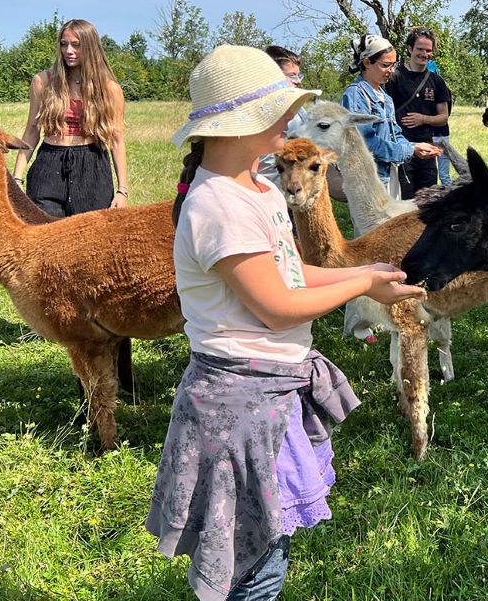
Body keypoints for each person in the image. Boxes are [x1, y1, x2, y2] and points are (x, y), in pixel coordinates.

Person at [147, 45, 425, 601]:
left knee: (268, 547)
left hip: (270, 394)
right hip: (237, 403)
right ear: (241, 124)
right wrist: (362, 285)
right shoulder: (218, 206)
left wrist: (362, 268)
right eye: (280, 108)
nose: (290, 120)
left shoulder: (260, 189)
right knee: (254, 560)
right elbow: (276, 305)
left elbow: (290, 270)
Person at [12, 18, 130, 217]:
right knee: (46, 236)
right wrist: (16, 179)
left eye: (76, 45)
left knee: (89, 240)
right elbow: (32, 130)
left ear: (91, 48)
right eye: (64, 44)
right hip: (49, 165)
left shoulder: (109, 89)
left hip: (91, 167)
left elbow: (117, 141)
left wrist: (122, 191)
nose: (69, 51)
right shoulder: (43, 81)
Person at [341, 34, 441, 194]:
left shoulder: (385, 97)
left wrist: (415, 147)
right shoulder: (356, 95)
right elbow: (365, 144)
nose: (392, 71)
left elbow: (395, 134)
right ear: (367, 62)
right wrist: (410, 150)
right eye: (386, 65)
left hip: (390, 175)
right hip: (369, 179)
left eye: (393, 65)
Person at [385, 27, 450, 198]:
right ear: (410, 49)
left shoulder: (437, 81)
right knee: (404, 203)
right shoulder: (394, 78)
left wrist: (423, 119)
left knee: (428, 202)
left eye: (428, 50)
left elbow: (443, 117)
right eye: (420, 49)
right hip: (402, 151)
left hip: (428, 151)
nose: (424, 54)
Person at [256, 45, 308, 184]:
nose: (298, 81)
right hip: (269, 189)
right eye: (292, 76)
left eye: (299, 75)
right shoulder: (260, 111)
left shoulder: (299, 109)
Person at [426, 58, 454, 185]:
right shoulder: (444, 88)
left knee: (431, 173)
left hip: (431, 134)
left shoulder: (437, 88)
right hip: (442, 133)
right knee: (444, 174)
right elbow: (447, 113)